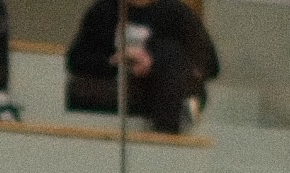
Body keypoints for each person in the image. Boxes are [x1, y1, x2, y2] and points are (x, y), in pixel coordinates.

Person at [64, 0, 218, 134]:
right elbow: (76, 60)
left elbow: (209, 64)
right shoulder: (103, 10)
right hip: (116, 88)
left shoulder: (177, 13)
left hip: (163, 84)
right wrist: (117, 62)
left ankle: (166, 131)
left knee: (170, 52)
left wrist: (153, 61)